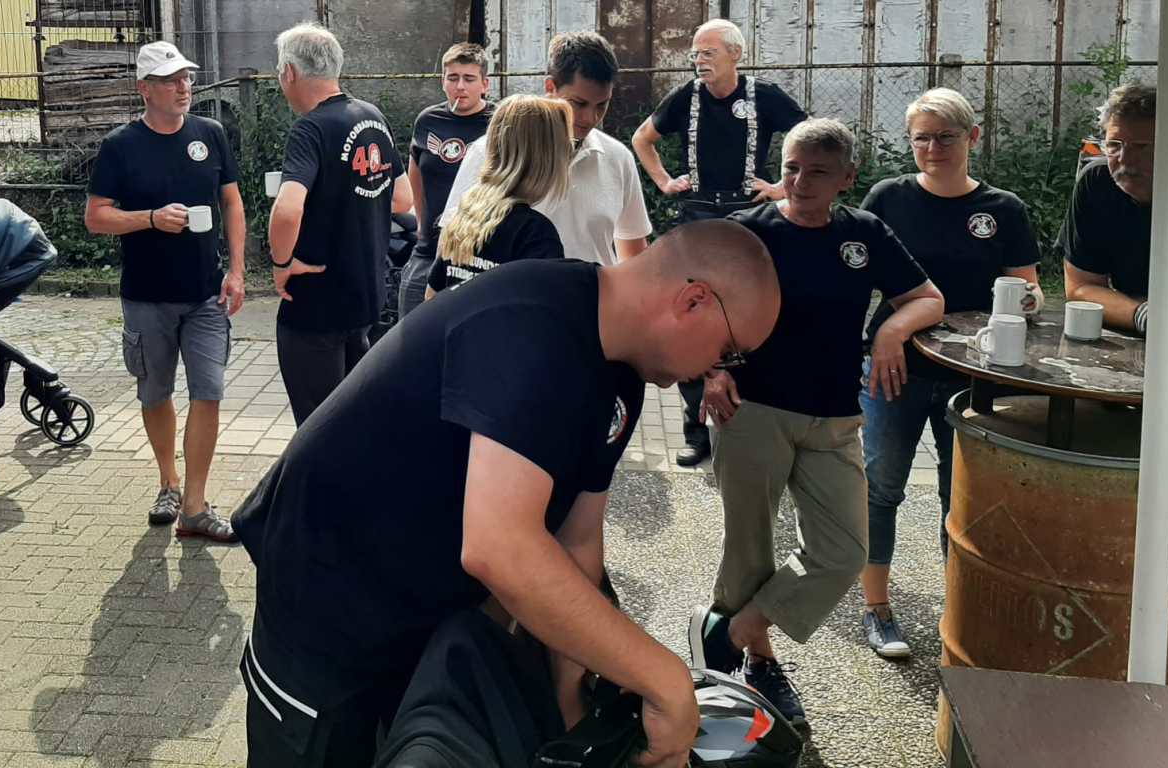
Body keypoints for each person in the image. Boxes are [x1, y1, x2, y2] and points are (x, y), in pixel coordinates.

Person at [231, 221, 783, 768]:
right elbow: (500, 548)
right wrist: (665, 680)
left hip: (413, 606)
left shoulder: (620, 376)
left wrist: (569, 711)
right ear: (693, 300)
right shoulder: (534, 324)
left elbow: (577, 543)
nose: (719, 370)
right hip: (325, 600)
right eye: (729, 350)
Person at [688, 119, 943, 731]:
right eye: (792, 168)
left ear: (847, 178)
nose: (801, 181)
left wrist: (890, 330)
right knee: (749, 546)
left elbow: (927, 297)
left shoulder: (864, 233)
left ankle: (730, 634)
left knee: (843, 551)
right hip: (751, 411)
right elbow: (691, 303)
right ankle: (758, 664)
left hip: (834, 416)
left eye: (818, 172)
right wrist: (711, 371)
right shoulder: (747, 232)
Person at [856, 89, 1041, 659]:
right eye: (922, 138)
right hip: (895, 368)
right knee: (881, 485)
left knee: (959, 492)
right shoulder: (888, 198)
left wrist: (1028, 300)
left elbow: (1028, 286)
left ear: (972, 138)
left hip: (974, 374)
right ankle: (876, 607)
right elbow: (856, 280)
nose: (933, 148)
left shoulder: (1003, 209)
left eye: (946, 137)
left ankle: (957, 606)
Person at [85, 40, 246, 541]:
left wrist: (237, 271)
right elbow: (96, 217)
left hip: (206, 295)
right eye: (171, 80)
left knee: (209, 392)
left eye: (187, 78)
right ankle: (168, 482)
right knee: (155, 394)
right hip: (146, 296)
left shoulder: (210, 133)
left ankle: (194, 506)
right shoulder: (120, 145)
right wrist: (151, 219)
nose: (183, 87)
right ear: (144, 89)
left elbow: (232, 203)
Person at [632, 19, 807, 468]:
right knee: (689, 315)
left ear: (735, 54)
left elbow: (812, 139)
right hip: (697, 215)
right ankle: (697, 432)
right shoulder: (685, 97)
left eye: (708, 53)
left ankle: (751, 424)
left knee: (752, 315)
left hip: (750, 216)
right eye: (694, 53)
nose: (699, 61)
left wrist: (782, 188)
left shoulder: (764, 96)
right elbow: (642, 139)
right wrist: (664, 181)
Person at [267, 23, 413, 425]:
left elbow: (288, 209)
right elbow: (402, 198)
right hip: (364, 296)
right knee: (352, 420)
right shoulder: (371, 116)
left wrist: (281, 263)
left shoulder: (310, 129)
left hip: (316, 303)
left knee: (316, 426)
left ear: (290, 72)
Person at [442, 31, 651, 267]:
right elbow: (454, 245)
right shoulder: (492, 151)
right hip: (514, 291)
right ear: (550, 86)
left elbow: (634, 258)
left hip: (594, 292)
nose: (590, 118)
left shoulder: (618, 158)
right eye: (578, 103)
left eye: (602, 105)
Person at [1062, 82, 1168, 335]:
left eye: (1142, 147)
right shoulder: (1097, 184)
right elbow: (1080, 289)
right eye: (1114, 145)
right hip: (1139, 331)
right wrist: (1147, 317)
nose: (1125, 160)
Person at [425, 95, 569, 298]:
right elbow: (545, 312)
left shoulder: (465, 217)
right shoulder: (535, 233)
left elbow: (431, 298)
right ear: (548, 159)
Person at [400, 43, 495, 317]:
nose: (460, 86)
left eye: (469, 79)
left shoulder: (499, 123)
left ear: (485, 84)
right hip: (429, 250)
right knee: (409, 327)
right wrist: (422, 226)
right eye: (453, 78)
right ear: (443, 81)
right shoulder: (428, 120)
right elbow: (416, 175)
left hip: (478, 254)